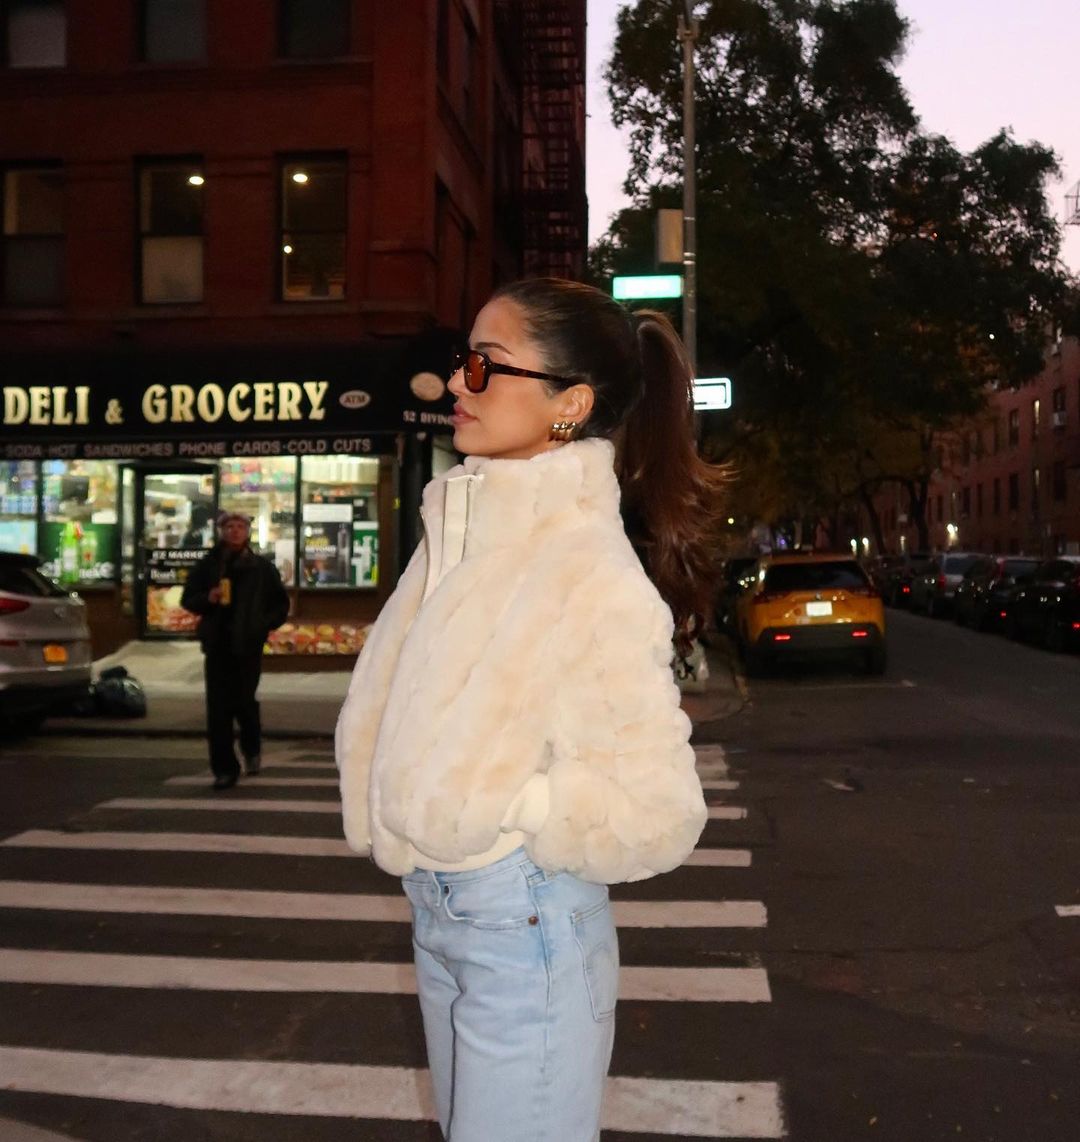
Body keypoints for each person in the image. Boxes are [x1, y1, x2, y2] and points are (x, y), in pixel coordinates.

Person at [335, 277, 726, 1140]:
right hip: (444, 911)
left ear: (569, 404)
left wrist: (510, 806)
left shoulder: (587, 568)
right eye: (461, 360)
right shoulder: (462, 534)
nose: (457, 382)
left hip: (522, 918)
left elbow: (656, 809)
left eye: (487, 364)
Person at [181, 511, 289, 790]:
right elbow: (188, 599)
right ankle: (224, 769)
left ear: (248, 532)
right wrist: (208, 597)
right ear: (221, 531)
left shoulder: (261, 568)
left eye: (240, 526)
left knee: (244, 702)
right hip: (218, 645)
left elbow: (280, 605)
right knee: (218, 710)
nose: (235, 531)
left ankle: (251, 747)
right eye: (229, 526)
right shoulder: (208, 565)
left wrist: (261, 626)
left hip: (248, 646)